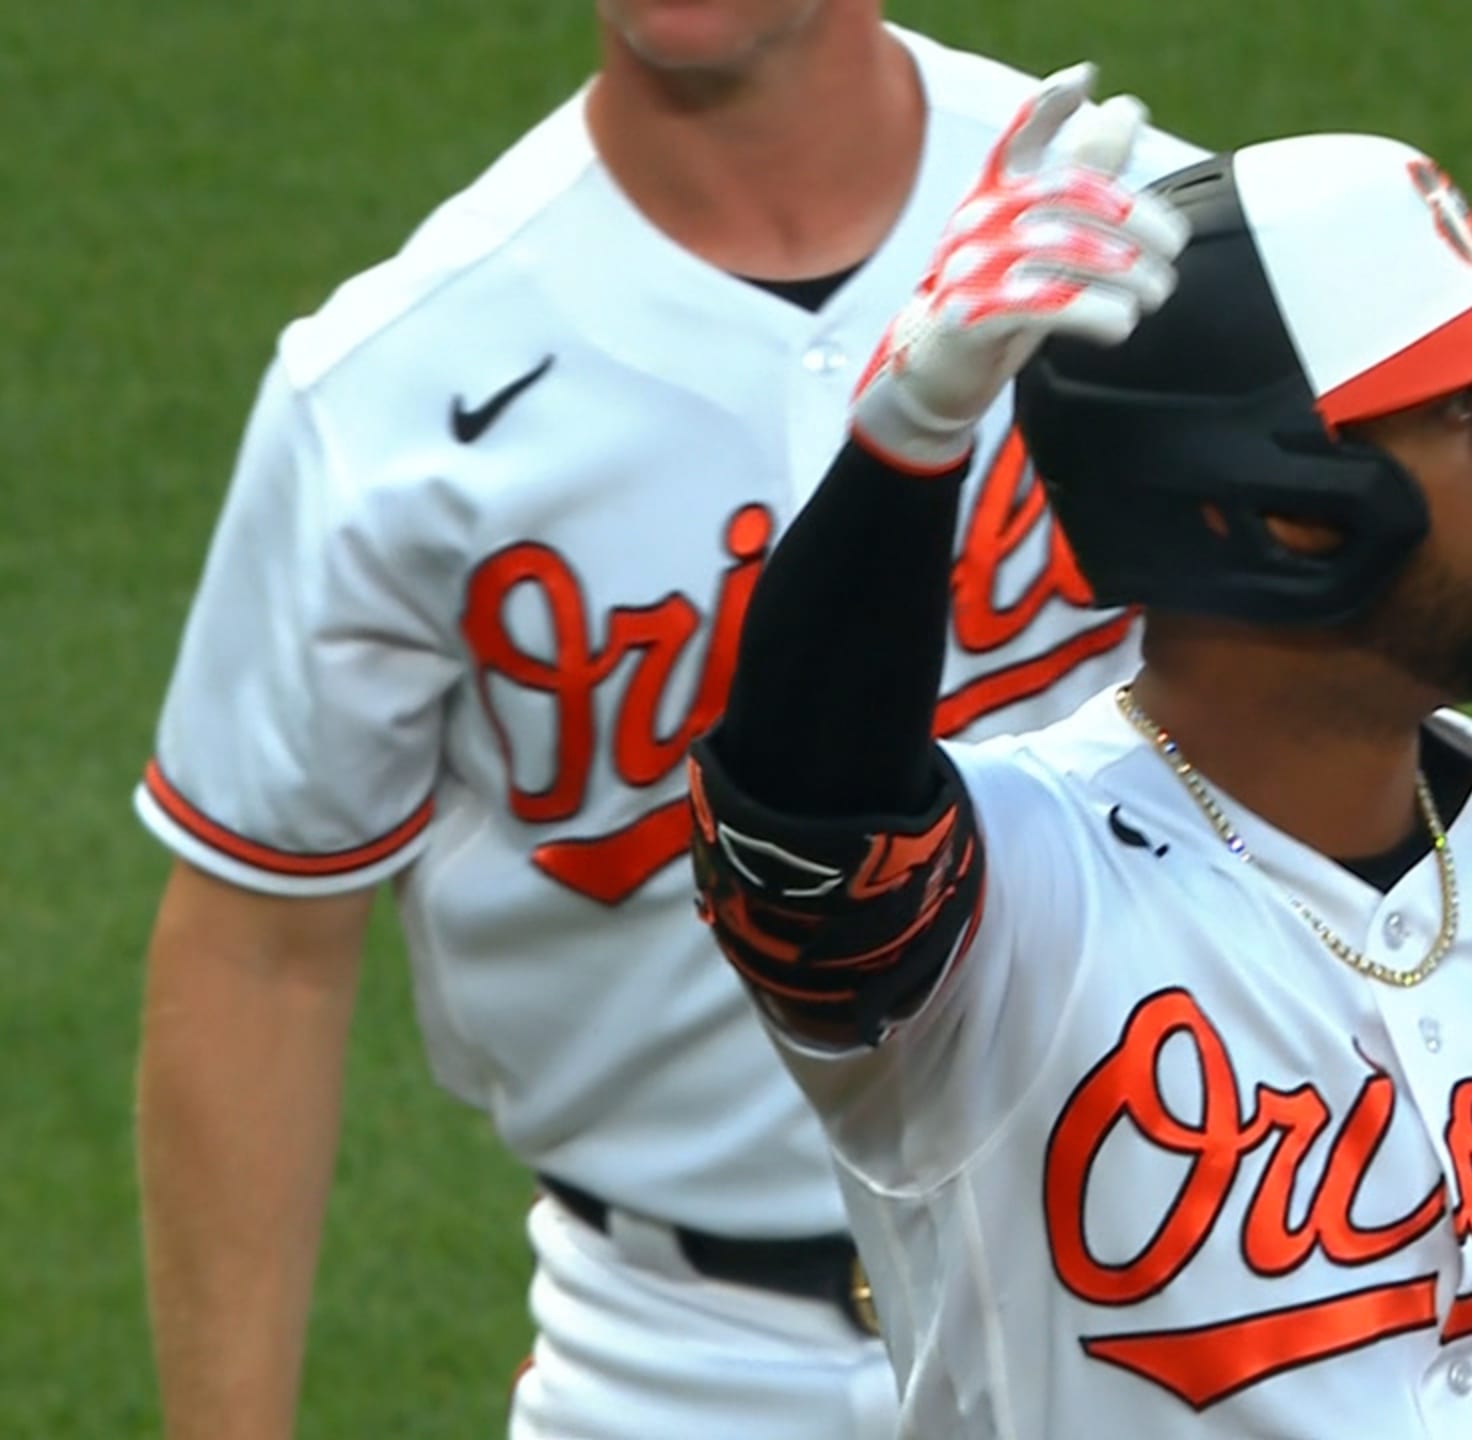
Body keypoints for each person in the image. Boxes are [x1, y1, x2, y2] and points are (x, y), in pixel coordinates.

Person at [688, 64, 1472, 1438]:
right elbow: (801, 818)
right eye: (1464, 406)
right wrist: (908, 440)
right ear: (1277, 503)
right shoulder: (1012, 910)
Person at [131, 6, 1197, 1435]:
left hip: (1183, 1279)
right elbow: (262, 945)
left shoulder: (1137, 228)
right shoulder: (398, 383)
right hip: (679, 1368)